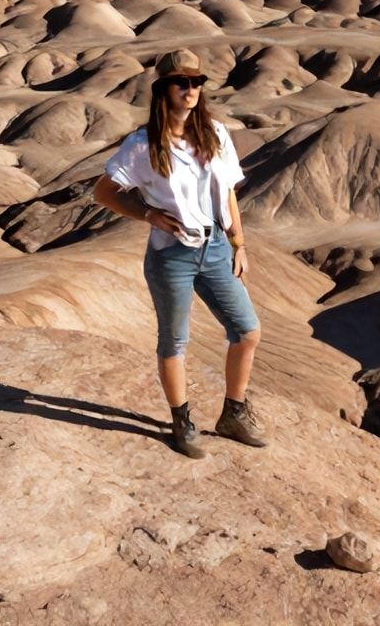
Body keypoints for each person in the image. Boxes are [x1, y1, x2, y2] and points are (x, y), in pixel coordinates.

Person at [92, 48, 265, 458]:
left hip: (217, 248)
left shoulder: (217, 134)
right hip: (172, 256)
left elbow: (227, 194)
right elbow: (104, 193)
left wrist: (239, 243)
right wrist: (149, 214)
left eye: (196, 83)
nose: (190, 90)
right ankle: (181, 419)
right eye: (181, 83)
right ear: (163, 90)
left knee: (247, 331)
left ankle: (234, 412)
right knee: (174, 342)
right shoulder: (143, 144)